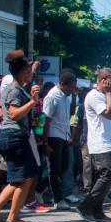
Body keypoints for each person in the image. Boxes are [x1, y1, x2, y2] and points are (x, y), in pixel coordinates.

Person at [0, 50, 41, 222]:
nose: (31, 74)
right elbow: (13, 114)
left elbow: (3, 114)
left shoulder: (13, 89)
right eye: (29, 71)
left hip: (10, 135)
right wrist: (33, 102)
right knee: (26, 176)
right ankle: (12, 216)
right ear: (24, 72)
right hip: (14, 136)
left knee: (21, 177)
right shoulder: (15, 90)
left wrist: (30, 118)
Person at [76, 68, 111, 222]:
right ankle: (86, 205)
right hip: (99, 142)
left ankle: (97, 210)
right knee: (107, 175)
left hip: (108, 141)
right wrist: (108, 94)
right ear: (103, 80)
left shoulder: (102, 96)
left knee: (104, 177)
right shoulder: (94, 96)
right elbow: (107, 114)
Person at [41, 70, 78, 211]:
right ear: (62, 84)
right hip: (53, 136)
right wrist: (45, 143)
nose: (72, 90)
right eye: (70, 87)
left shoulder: (65, 96)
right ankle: (57, 199)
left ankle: (39, 188)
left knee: (63, 167)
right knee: (54, 169)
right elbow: (46, 121)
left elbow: (71, 113)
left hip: (63, 135)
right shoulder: (52, 97)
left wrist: (74, 96)